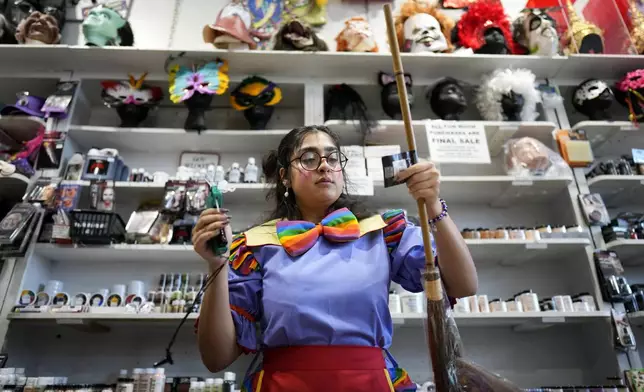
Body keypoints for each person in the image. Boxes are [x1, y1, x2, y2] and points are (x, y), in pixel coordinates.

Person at [193, 125, 477, 391]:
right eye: (308, 158)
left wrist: (433, 204)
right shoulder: (254, 245)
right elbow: (217, 358)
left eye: (332, 157)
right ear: (284, 176)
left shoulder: (382, 232)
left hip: (371, 384)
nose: (325, 165)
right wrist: (216, 264)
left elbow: (463, 285)